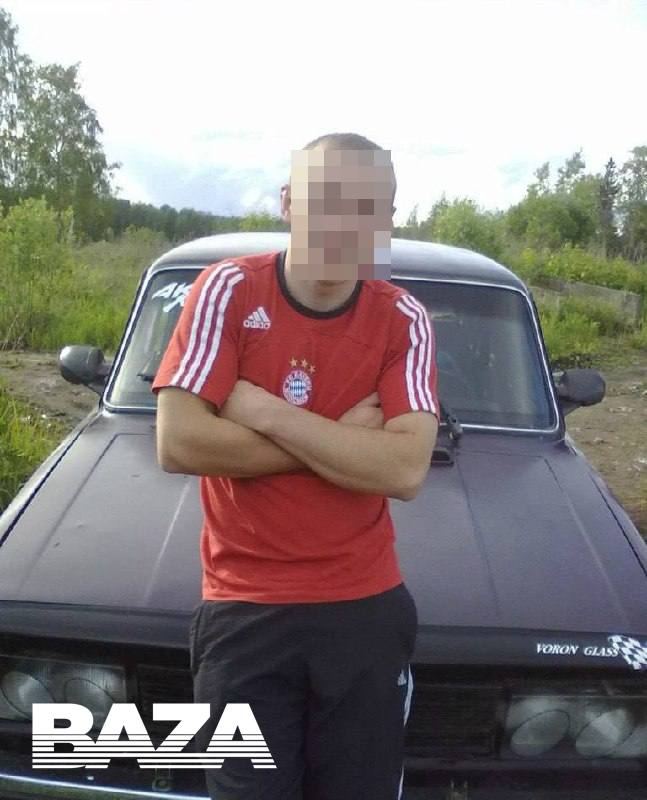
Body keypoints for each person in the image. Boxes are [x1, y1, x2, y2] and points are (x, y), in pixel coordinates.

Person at [151, 131, 439, 800]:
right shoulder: (227, 290)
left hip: (363, 607)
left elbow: (403, 470)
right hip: (245, 610)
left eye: (367, 206)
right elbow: (180, 443)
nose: (344, 223)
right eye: (326, 199)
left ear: (386, 219)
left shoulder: (403, 319)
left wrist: (267, 412)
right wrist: (342, 441)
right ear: (288, 201)